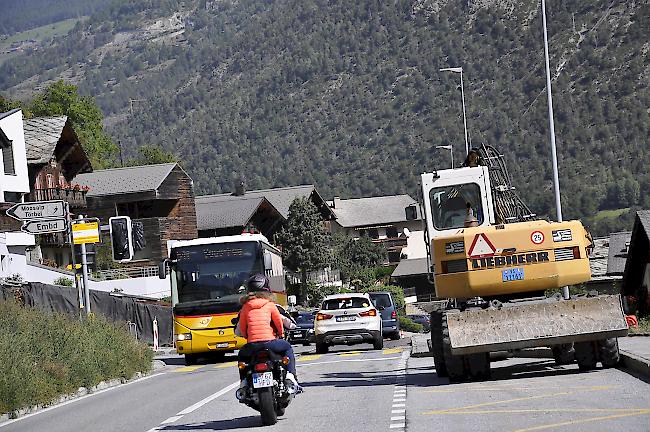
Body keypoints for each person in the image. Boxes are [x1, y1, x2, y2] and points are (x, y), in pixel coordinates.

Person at [237, 274, 301, 391]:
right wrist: (281, 335)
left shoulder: (245, 307)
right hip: (270, 342)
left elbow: (242, 326)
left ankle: (244, 383)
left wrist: (247, 336)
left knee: (242, 355)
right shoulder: (270, 304)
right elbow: (278, 322)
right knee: (287, 348)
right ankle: (291, 376)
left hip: (252, 345)